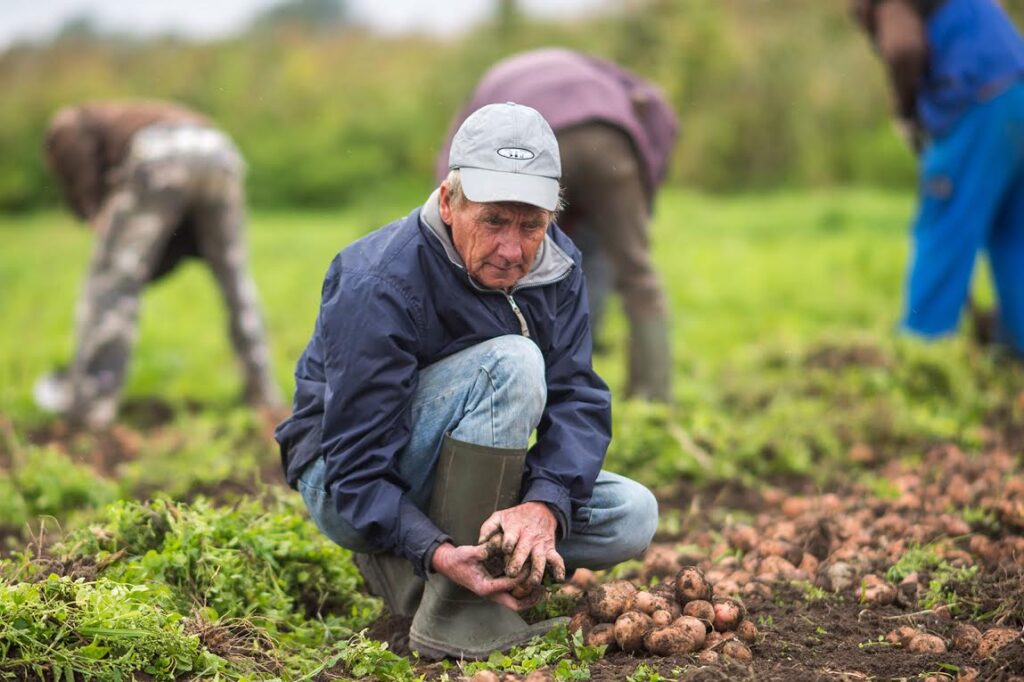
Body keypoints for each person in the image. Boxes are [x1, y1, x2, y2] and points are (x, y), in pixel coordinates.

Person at [275, 102, 658, 660]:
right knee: (513, 363)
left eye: (531, 225)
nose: (512, 248)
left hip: (462, 473)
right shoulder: (378, 280)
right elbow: (356, 467)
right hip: (349, 477)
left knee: (633, 514)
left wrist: (544, 507)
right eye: (494, 221)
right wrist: (432, 548)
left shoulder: (558, 268)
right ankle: (453, 609)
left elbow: (577, 396)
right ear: (450, 201)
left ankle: (436, 565)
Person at [437, 48, 680, 401]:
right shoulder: (604, 71)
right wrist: (646, 188)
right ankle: (655, 395)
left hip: (550, 145)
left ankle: (529, 387)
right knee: (635, 272)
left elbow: (454, 167)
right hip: (613, 143)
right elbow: (657, 112)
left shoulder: (490, 89)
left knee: (526, 267)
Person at [36, 100, 281, 428]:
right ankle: (264, 394)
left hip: (159, 155)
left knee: (110, 287)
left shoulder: (70, 121)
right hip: (220, 152)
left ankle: (90, 407)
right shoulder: (133, 114)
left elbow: (71, 145)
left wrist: (91, 207)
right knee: (235, 280)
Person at [852, 0, 1024, 357]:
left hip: (976, 96)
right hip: (1016, 86)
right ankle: (1017, 348)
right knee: (1014, 234)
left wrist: (906, 111)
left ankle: (923, 351)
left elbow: (903, 48)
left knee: (944, 227)